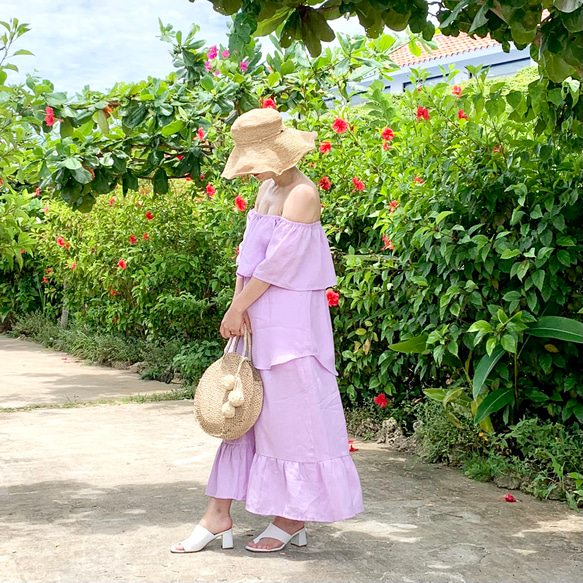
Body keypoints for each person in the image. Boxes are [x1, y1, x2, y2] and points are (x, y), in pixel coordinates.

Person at [170, 107, 363, 554]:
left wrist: (240, 305)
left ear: (276, 149)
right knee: (242, 414)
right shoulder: (266, 190)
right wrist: (238, 306)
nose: (250, 167)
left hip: (292, 320)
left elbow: (279, 266)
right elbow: (250, 257)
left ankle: (291, 517)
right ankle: (218, 514)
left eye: (254, 157)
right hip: (258, 312)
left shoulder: (302, 194)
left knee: (290, 417)